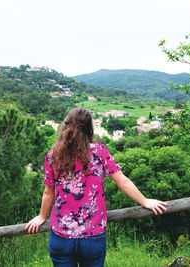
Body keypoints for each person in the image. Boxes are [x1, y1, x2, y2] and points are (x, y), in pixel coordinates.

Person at [24, 108, 168, 267]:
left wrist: (42, 217)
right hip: (92, 236)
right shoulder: (99, 151)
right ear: (89, 128)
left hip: (61, 237)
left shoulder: (53, 155)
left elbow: (48, 192)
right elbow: (123, 182)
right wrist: (145, 201)